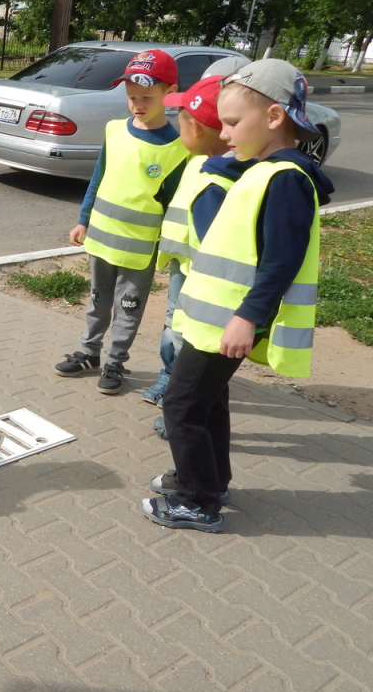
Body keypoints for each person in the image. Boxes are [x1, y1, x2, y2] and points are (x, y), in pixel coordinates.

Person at [142, 59, 334, 532]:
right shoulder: (262, 168)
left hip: (229, 320)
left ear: (273, 119)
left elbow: (281, 260)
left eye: (232, 123)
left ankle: (197, 500)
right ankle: (209, 479)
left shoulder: (285, 177)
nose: (224, 134)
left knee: (182, 406)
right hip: (213, 318)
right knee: (206, 404)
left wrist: (248, 316)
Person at [55, 50, 190, 395]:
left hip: (139, 250)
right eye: (131, 97)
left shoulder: (177, 149)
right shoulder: (115, 131)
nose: (137, 104)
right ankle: (89, 353)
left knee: (128, 309)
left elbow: (173, 205)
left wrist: (168, 247)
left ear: (170, 92)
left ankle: (116, 363)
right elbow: (98, 179)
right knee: (98, 301)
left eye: (146, 97)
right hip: (100, 239)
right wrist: (83, 220)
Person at [144, 74, 256, 438]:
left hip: (203, 286)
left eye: (182, 117)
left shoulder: (218, 182)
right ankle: (180, 402)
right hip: (185, 266)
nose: (177, 122)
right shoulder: (202, 162)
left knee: (191, 362)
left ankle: (182, 418)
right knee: (178, 341)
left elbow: (218, 249)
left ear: (200, 126)